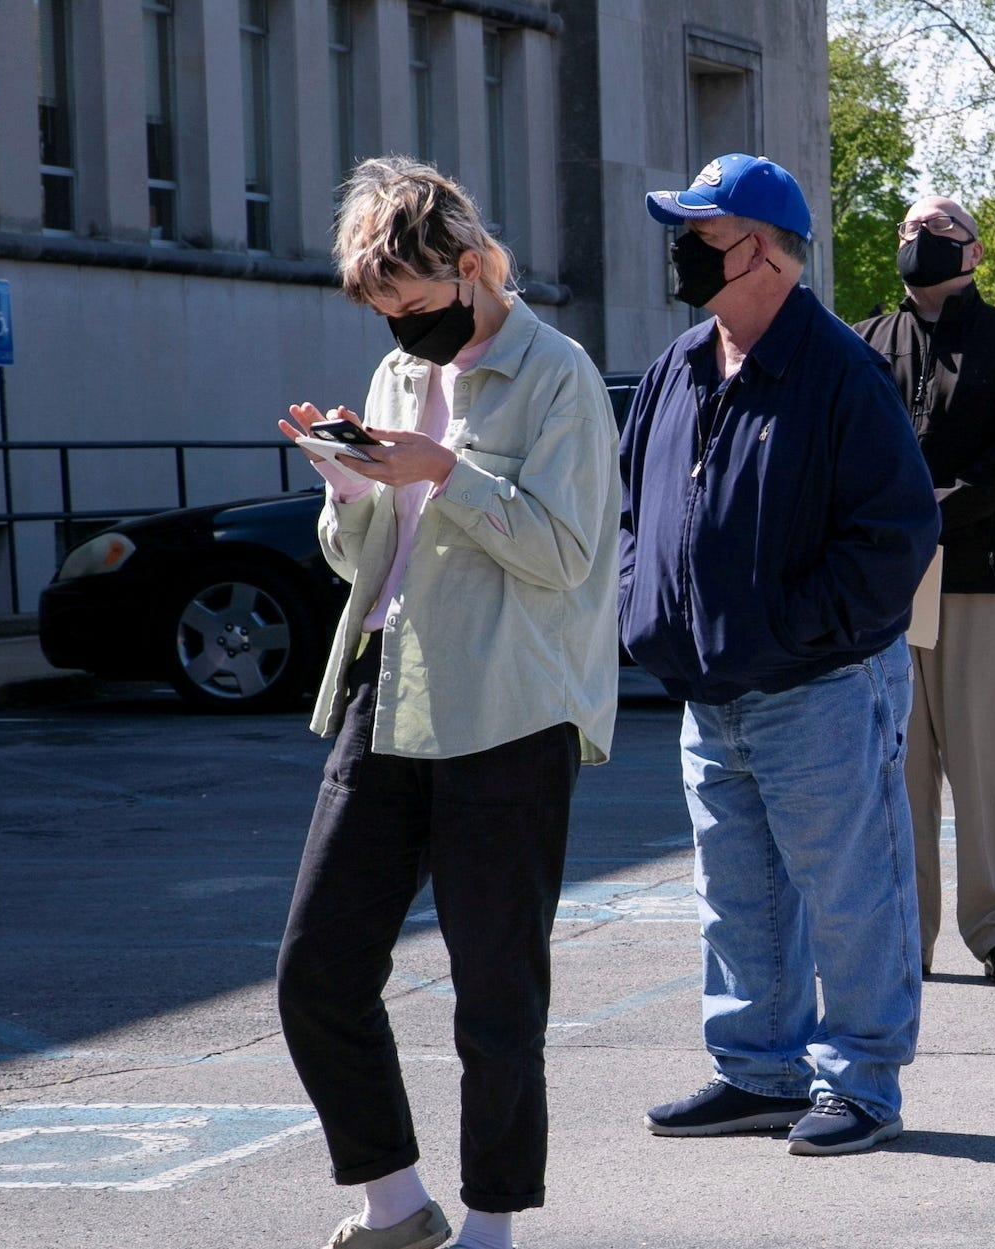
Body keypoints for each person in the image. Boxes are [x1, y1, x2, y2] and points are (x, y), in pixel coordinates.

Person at [273, 157, 623, 1249]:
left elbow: (567, 555)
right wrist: (347, 486)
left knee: (496, 993)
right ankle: (393, 1202)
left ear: (471, 269)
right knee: (316, 970)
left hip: (511, 709)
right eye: (385, 316)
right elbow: (360, 557)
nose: (401, 335)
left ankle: (492, 1225)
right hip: (388, 685)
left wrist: (443, 473)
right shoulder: (390, 381)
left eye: (415, 309)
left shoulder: (555, 373)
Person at [622, 154, 940, 1157]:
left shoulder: (841, 370)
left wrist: (787, 627)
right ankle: (758, 1069)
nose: (679, 251)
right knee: (737, 895)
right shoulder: (678, 367)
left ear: (759, 251)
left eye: (699, 234)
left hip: (818, 687)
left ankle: (863, 1082)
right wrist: (651, 614)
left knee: (852, 893)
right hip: (708, 691)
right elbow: (639, 511)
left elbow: (894, 537)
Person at [852, 195, 995, 988]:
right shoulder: (865, 340)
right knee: (898, 773)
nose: (915, 238)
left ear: (973, 253)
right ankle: (908, 935)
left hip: (980, 575)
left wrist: (942, 502)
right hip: (888, 588)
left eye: (936, 230)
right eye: (906, 227)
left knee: (985, 761)